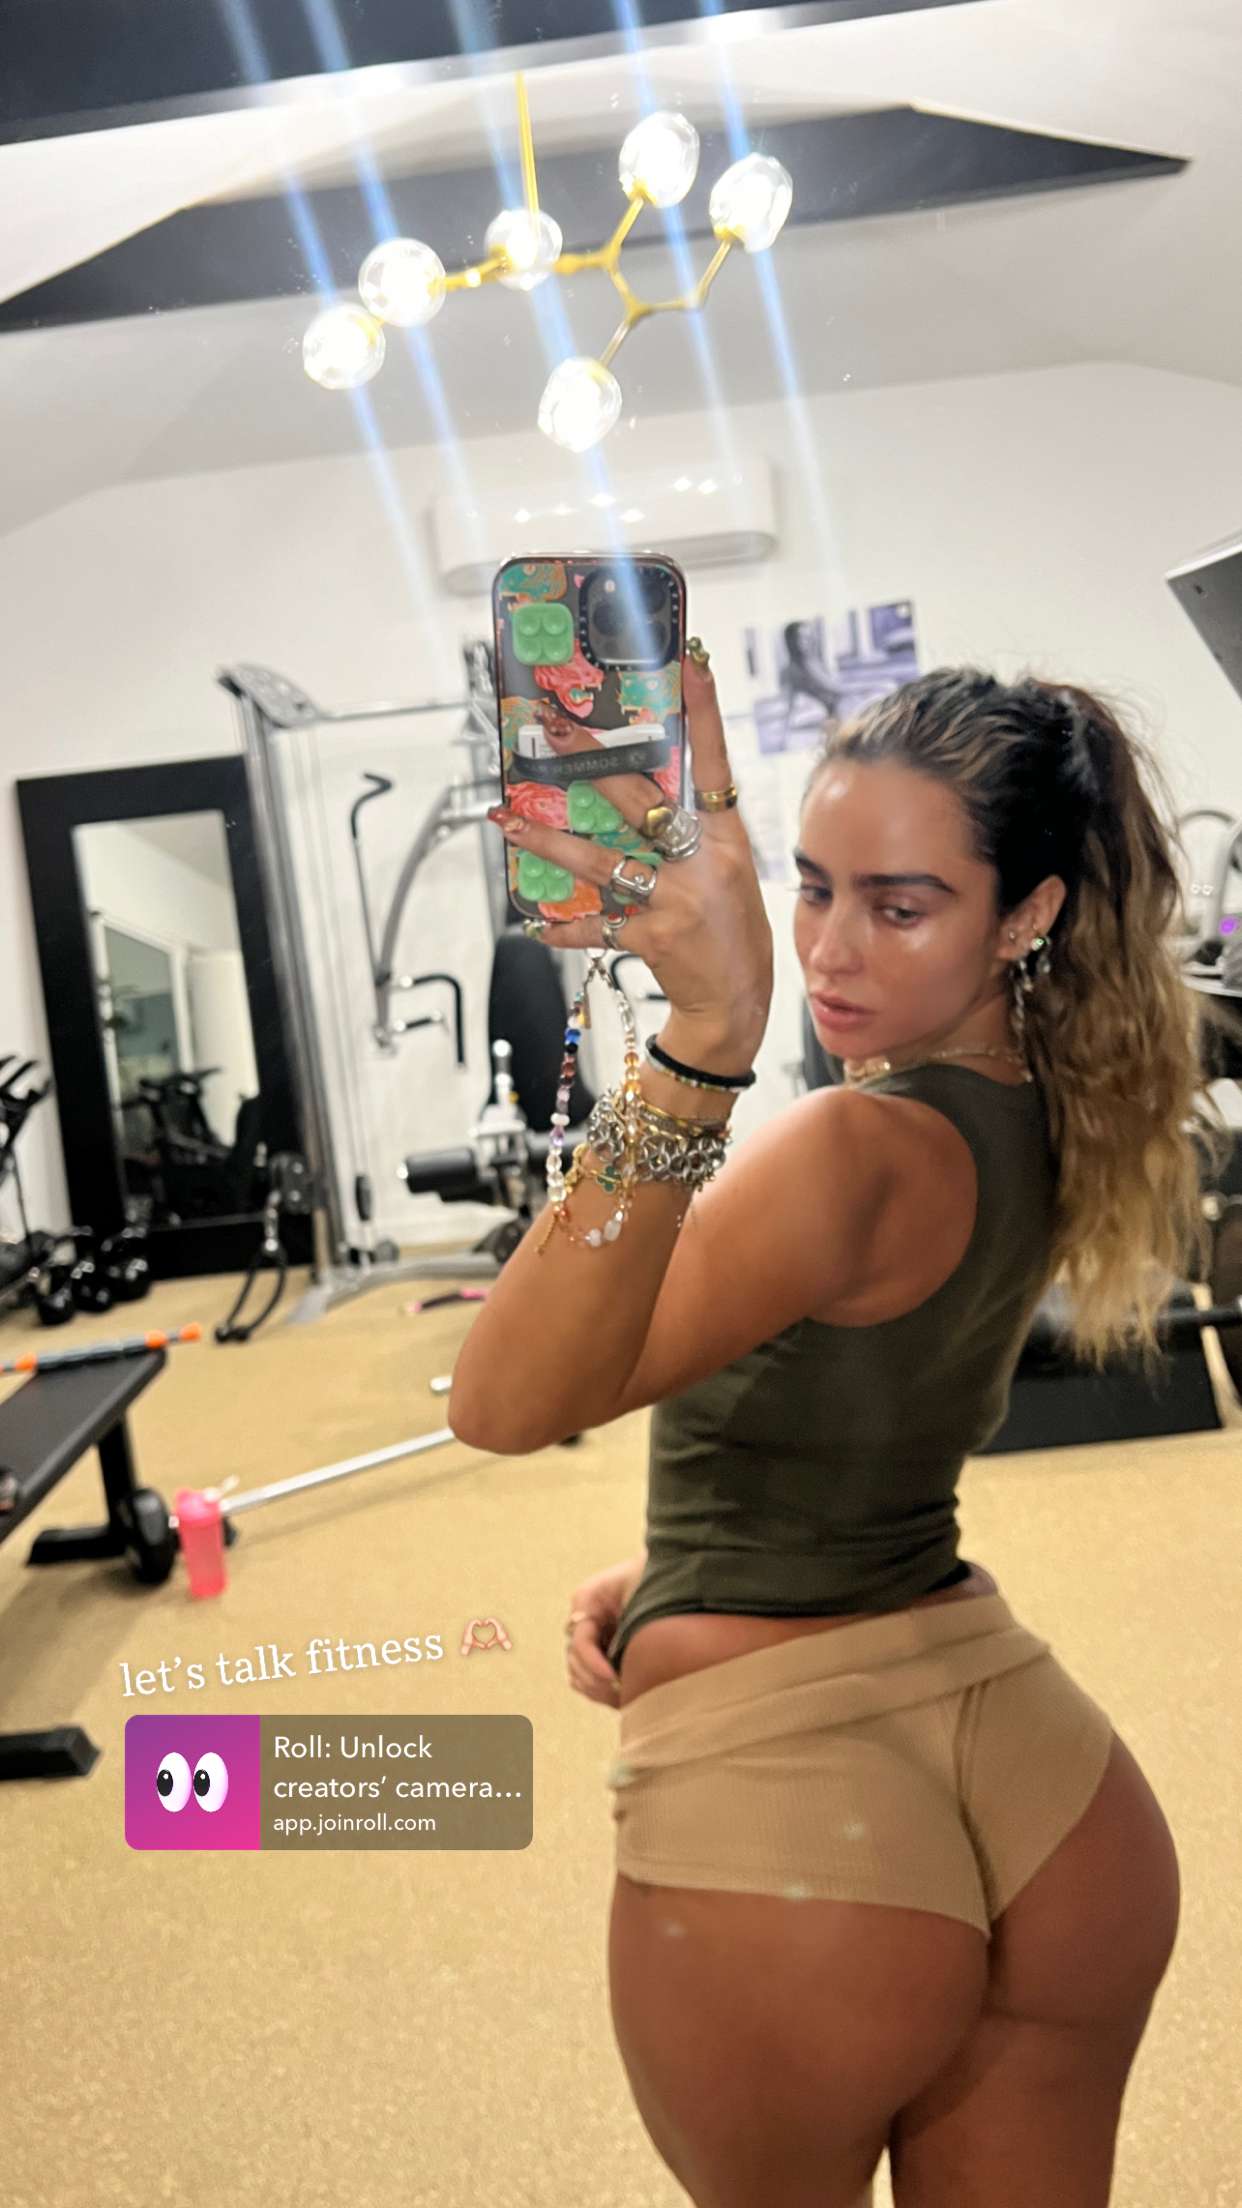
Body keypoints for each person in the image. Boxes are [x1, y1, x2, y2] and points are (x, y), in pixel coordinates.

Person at [450, 647, 1224, 2208]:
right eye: (810, 887)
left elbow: (501, 1401)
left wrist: (703, 1035)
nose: (826, 945)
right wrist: (683, 1563)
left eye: (898, 903)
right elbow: (875, 1395)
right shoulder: (1049, 1095)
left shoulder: (847, 1146)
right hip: (1050, 1797)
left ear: (1024, 913)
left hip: (801, 1817)